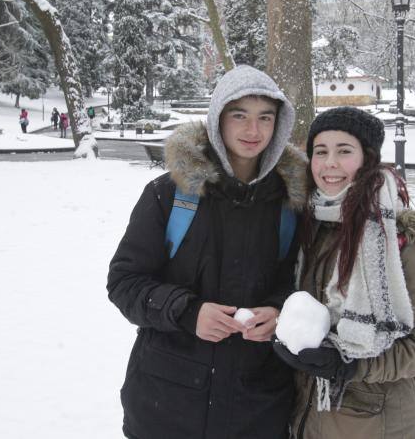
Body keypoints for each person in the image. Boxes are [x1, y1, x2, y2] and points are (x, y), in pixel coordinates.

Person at [107, 65, 306, 439]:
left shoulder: (291, 204)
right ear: (218, 119)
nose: (253, 131)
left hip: (256, 410)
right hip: (165, 408)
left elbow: (303, 286)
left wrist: (280, 312)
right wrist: (186, 312)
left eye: (265, 118)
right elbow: (124, 282)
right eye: (240, 116)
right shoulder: (169, 194)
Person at [273, 107, 415, 439]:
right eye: (321, 151)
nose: (330, 162)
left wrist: (352, 365)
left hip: (381, 424)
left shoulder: (399, 240)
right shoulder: (310, 228)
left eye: (344, 151)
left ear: (367, 159)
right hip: (312, 417)